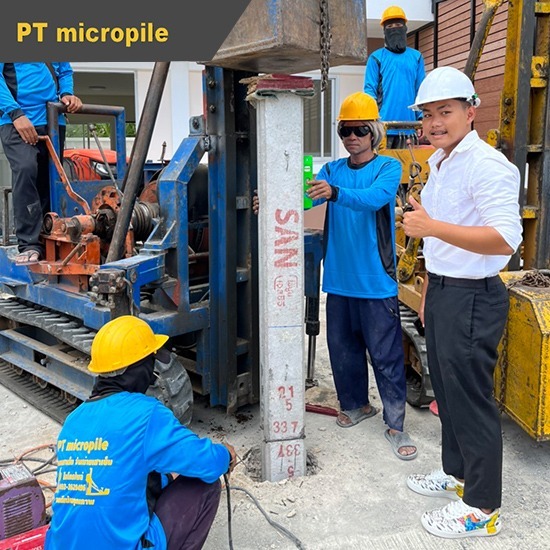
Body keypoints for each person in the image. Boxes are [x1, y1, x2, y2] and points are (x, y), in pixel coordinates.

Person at [403, 66, 522, 538]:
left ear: (471, 112)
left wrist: (431, 227)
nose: (435, 122)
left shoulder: (487, 165)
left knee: (471, 400)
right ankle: (457, 476)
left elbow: (504, 239)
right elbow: (444, 238)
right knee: (448, 394)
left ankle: (482, 506)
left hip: (475, 296)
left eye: (446, 111)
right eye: (428, 114)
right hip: (446, 291)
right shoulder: (441, 161)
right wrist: (430, 290)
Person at [45, 315, 236, 550]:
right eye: (151, 361)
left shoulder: (74, 420)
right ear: (141, 368)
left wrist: (167, 478)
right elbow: (206, 462)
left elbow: (114, 480)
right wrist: (225, 455)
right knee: (204, 484)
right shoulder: (146, 413)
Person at [305, 91, 417, 460]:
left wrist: (335, 193)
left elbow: (373, 198)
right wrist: (273, 199)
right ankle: (356, 405)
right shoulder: (331, 170)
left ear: (374, 132)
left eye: (360, 130)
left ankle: (396, 424)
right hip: (338, 281)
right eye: (345, 130)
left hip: (376, 282)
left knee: (385, 356)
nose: (352, 137)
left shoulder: (387, 169)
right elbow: (308, 198)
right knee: (343, 351)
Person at [0, 62, 82, 264]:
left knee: (50, 180)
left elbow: (64, 71)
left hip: (53, 119)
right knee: (26, 168)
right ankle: (29, 244)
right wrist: (15, 113)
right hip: (16, 121)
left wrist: (67, 93)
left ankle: (50, 238)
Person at [364, 5, 426, 149]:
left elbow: (421, 90)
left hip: (410, 128)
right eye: (390, 26)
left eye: (398, 25)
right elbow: (369, 92)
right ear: (384, 31)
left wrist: (422, 118)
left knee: (410, 164)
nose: (395, 29)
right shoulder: (376, 58)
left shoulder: (416, 57)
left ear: (405, 28)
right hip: (382, 128)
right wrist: (372, 121)